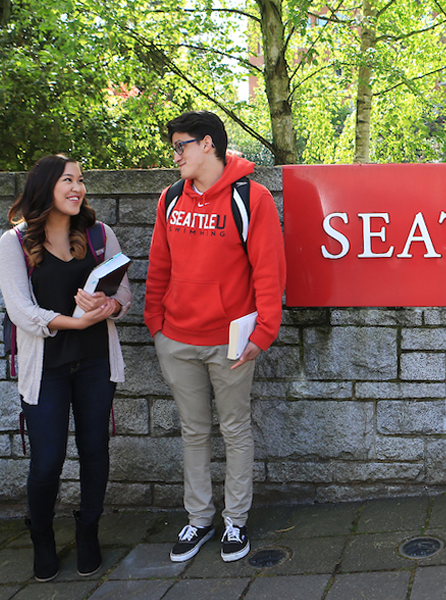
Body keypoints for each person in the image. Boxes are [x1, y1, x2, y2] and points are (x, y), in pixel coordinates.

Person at [145, 111, 286, 563]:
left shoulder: (251, 197)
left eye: (181, 146)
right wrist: (156, 325)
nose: (176, 155)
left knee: (236, 429)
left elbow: (269, 272)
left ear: (208, 145)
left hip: (232, 342)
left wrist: (263, 333)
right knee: (193, 430)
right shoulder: (170, 199)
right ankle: (198, 520)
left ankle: (235, 523)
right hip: (177, 338)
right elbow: (159, 266)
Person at [0, 154, 132, 581]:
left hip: (95, 364)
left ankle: (88, 531)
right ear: (46, 186)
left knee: (95, 452)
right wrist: (73, 320)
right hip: (47, 370)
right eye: (69, 180)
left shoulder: (98, 234)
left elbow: (123, 293)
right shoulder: (14, 243)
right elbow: (20, 309)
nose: (78, 188)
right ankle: (41, 537)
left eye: (81, 180)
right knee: (47, 461)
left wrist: (109, 304)